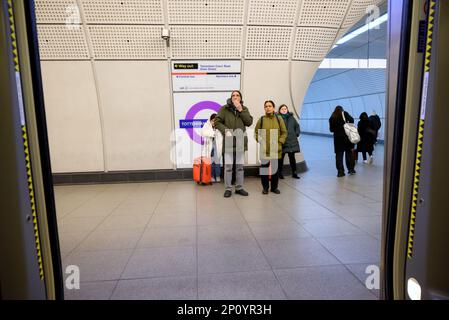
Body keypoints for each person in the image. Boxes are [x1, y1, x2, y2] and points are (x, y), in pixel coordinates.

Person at [215, 91, 253, 198]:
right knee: (228, 167)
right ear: (231, 98)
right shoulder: (224, 109)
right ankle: (228, 189)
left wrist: (241, 110)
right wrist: (226, 130)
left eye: (237, 95)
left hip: (241, 142)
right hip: (229, 142)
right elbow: (217, 122)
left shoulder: (244, 109)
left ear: (240, 98)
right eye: (233, 95)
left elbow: (249, 122)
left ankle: (239, 188)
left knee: (240, 167)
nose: (235, 97)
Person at [254, 100, 287, 194]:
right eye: (266, 106)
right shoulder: (262, 119)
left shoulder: (279, 119)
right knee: (264, 170)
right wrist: (260, 140)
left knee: (275, 170)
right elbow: (256, 132)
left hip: (276, 149)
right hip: (264, 149)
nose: (267, 108)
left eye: (269, 106)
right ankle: (265, 188)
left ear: (273, 108)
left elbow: (284, 132)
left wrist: (280, 143)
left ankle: (274, 187)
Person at [329, 105, 356, 177]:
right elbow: (352, 120)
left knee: (339, 156)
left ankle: (340, 172)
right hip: (347, 138)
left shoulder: (332, 117)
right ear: (342, 110)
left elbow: (331, 130)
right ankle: (351, 169)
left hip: (338, 139)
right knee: (349, 154)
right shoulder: (345, 114)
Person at [278, 104, 301, 179]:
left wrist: (296, 133)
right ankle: (279, 173)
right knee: (280, 158)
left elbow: (297, 126)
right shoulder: (278, 118)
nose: (284, 110)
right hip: (283, 141)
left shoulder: (292, 118)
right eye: (282, 109)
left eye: (285, 109)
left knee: (292, 158)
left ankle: (294, 173)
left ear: (287, 110)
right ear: (279, 110)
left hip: (291, 141)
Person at [201, 113, 223, 182]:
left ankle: (217, 176)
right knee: (211, 162)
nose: (213, 122)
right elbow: (203, 133)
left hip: (217, 146)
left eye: (215, 121)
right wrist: (213, 133)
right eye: (212, 120)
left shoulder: (219, 126)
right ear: (210, 120)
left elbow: (221, 136)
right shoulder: (206, 125)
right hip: (210, 146)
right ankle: (212, 176)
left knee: (217, 162)